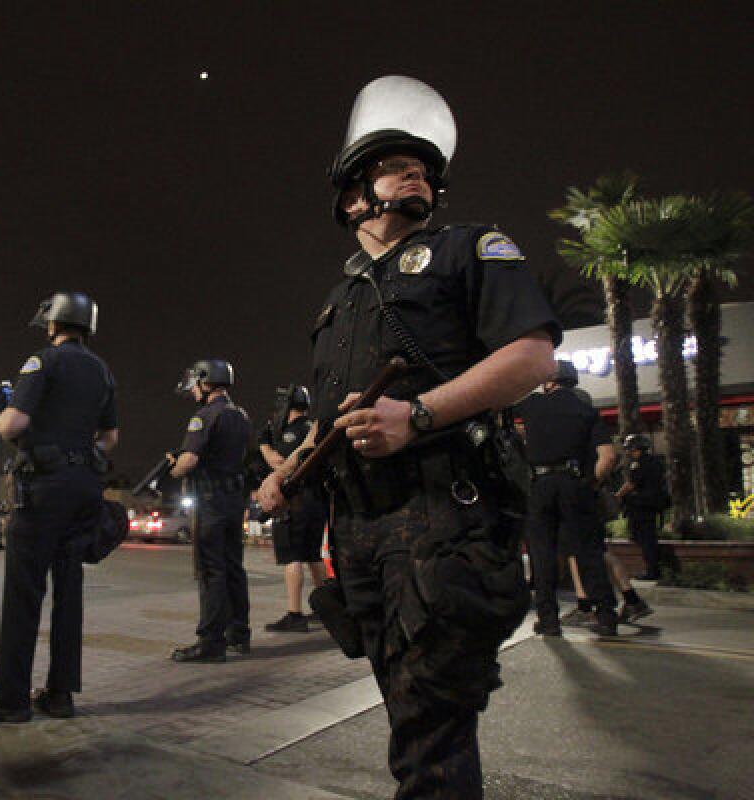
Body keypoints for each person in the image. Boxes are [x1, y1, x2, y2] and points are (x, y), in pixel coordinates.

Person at [257, 75, 558, 799]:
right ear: (354, 194)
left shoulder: (468, 248)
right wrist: (289, 469)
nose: (417, 172)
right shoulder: (342, 298)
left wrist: (417, 416)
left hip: (441, 519)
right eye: (397, 164)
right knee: (410, 715)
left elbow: (532, 357)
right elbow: (339, 415)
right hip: (358, 526)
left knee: (431, 730)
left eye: (424, 167)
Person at [0, 291, 118, 723]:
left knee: (24, 592)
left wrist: (3, 411)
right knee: (69, 592)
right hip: (84, 486)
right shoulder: (103, 370)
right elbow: (110, 439)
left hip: (45, 489)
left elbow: (13, 424)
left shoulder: (42, 362)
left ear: (54, 323)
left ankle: (10, 700)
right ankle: (60, 694)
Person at [516, 360, 619, 637]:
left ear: (549, 381)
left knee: (542, 553)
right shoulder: (586, 410)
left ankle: (548, 619)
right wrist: (589, 483)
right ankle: (606, 616)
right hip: (575, 484)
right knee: (588, 550)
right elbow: (608, 457)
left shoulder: (532, 404)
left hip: (540, 485)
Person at [168, 360, 253, 662]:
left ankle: (211, 642)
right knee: (233, 566)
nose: (192, 393)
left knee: (210, 569)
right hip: (234, 499)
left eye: (194, 386)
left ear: (205, 382)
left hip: (211, 501)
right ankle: (239, 633)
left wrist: (175, 468)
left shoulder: (204, 416)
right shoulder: (240, 415)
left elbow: (188, 462)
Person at [258, 385, 327, 632]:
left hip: (295, 500)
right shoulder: (313, 429)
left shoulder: (291, 432)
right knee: (313, 554)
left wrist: (264, 445)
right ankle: (328, 609)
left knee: (292, 556)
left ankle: (294, 613)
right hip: (317, 500)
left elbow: (280, 463)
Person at [616, 433, 667, 580]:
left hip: (642, 506)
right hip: (652, 505)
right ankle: (653, 568)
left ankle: (652, 570)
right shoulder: (655, 461)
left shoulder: (639, 463)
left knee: (645, 538)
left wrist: (618, 496)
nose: (628, 452)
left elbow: (631, 484)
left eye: (630, 449)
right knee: (648, 537)